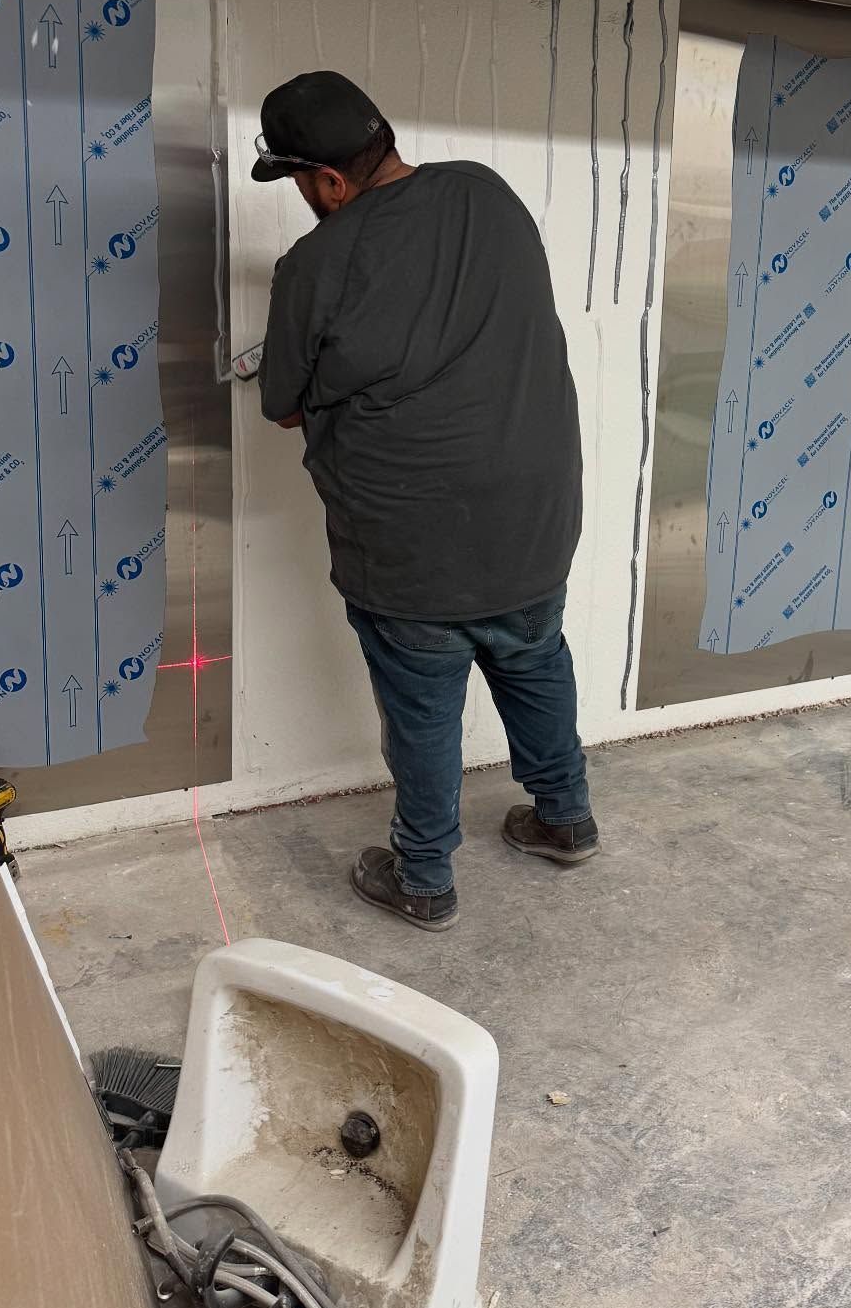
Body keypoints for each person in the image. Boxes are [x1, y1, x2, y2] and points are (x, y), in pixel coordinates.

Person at [254, 70, 598, 931]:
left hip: (408, 538)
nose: (305, 198)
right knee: (534, 655)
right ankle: (564, 817)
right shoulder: (489, 192)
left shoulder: (316, 263)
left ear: (328, 180)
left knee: (422, 704)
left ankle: (423, 877)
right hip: (534, 514)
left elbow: (285, 405)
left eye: (300, 181)